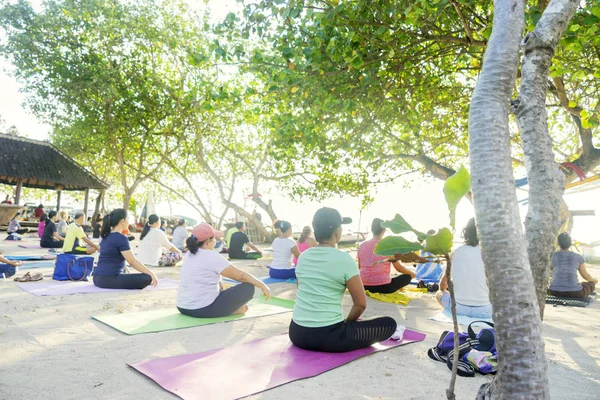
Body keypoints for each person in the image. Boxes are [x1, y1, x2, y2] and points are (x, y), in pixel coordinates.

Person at [290, 207, 397, 353]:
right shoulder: (344, 259)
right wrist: (347, 324)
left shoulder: (303, 256)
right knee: (389, 324)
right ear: (337, 232)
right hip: (329, 338)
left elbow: (301, 288)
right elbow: (360, 304)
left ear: (315, 231)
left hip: (297, 334)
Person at [177, 223, 271, 318]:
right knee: (248, 287)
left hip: (183, 307)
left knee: (221, 286)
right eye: (214, 239)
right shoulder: (211, 256)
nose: (215, 241)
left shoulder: (189, 254)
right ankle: (233, 310)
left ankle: (230, 309)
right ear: (208, 241)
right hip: (202, 309)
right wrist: (262, 285)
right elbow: (240, 276)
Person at [436, 218, 492, 319]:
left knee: (439, 294)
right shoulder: (490, 254)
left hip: (458, 309)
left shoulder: (455, 252)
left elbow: (442, 286)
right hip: (486, 311)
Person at [93, 209, 158, 290]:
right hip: (108, 279)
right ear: (122, 221)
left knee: (128, 273)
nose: (129, 222)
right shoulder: (121, 238)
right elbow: (132, 261)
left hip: (97, 278)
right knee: (147, 277)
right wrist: (151, 273)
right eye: (128, 219)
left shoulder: (106, 236)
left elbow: (110, 256)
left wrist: (123, 266)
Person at [357, 218, 415, 294]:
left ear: (372, 230)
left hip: (364, 286)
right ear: (384, 230)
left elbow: (360, 266)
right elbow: (399, 268)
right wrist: (411, 274)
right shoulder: (388, 247)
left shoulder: (362, 246)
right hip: (384, 287)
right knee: (407, 277)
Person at [548, 232, 597, 298]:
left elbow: (547, 273)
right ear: (570, 243)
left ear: (558, 243)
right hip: (575, 293)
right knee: (591, 284)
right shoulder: (578, 257)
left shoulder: (552, 256)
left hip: (554, 291)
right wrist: (594, 281)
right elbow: (585, 276)